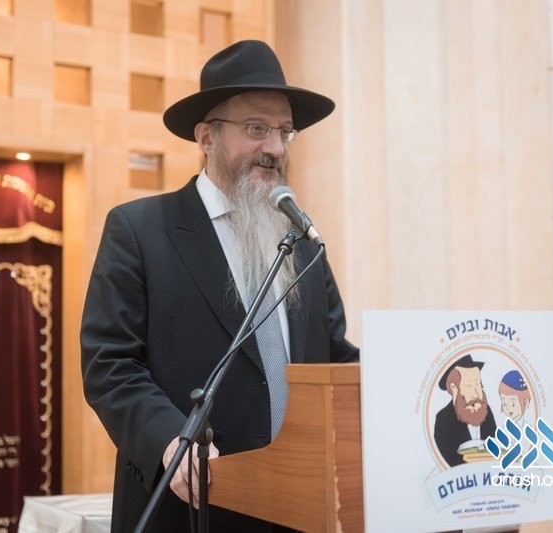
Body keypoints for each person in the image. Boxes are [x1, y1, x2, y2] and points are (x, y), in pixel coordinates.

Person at [80, 39, 360, 532]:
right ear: (206, 137)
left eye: (284, 132)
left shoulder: (302, 242)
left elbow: (335, 360)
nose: (275, 148)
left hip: (299, 510)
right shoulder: (140, 231)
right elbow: (110, 365)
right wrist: (170, 438)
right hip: (191, 507)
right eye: (257, 129)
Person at [433, 354, 497, 467]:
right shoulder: (443, 420)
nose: (476, 393)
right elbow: (450, 462)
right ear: (454, 389)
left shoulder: (486, 411)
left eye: (477, 384)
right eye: (469, 385)